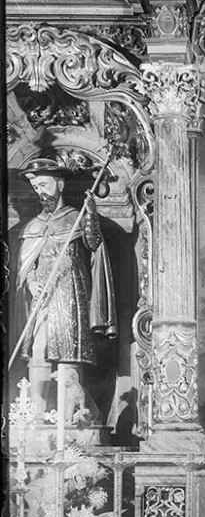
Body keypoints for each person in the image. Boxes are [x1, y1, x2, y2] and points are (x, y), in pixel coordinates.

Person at [16, 158, 116, 416]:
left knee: (67, 350)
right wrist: (32, 282)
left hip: (70, 293)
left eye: (44, 184)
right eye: (36, 187)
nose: (40, 191)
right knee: (39, 348)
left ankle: (71, 414)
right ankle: (36, 413)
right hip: (43, 297)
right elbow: (27, 267)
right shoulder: (33, 226)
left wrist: (91, 214)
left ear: (59, 184)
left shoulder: (75, 217)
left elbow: (94, 245)